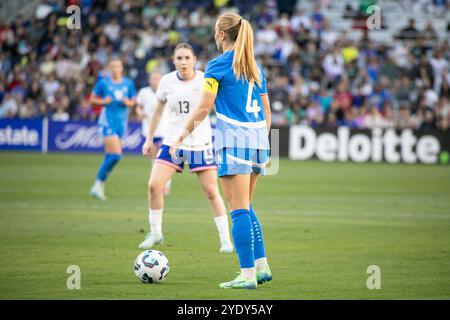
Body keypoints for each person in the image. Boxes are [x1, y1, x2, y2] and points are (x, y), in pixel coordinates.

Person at [170, 13, 272, 289]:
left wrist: (179, 135)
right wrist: (262, 139)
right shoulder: (254, 66)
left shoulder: (217, 65)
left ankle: (247, 274)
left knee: (237, 209)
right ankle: (261, 267)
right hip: (259, 141)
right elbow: (267, 111)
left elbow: (204, 108)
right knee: (246, 205)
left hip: (235, 141)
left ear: (221, 35)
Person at [139, 43, 233, 254]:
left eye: (187, 58)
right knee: (154, 185)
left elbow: (217, 106)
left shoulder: (205, 80)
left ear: (194, 60)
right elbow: (156, 112)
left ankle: (225, 240)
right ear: (174, 61)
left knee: (211, 192)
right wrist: (149, 139)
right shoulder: (166, 81)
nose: (183, 62)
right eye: (179, 58)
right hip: (173, 142)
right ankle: (156, 233)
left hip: (200, 143)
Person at [89, 59, 136, 200]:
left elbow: (133, 101)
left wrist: (129, 103)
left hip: (121, 124)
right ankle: (98, 184)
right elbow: (92, 100)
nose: (115, 69)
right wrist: (103, 102)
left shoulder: (128, 83)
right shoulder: (103, 83)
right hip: (107, 123)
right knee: (116, 155)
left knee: (111, 156)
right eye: (113, 66)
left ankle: (98, 186)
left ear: (122, 68)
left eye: (118, 66)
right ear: (109, 68)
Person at [135, 71, 172, 195]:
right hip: (149, 131)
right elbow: (138, 106)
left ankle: (165, 185)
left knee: (164, 159)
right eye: (153, 78)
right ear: (149, 80)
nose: (155, 81)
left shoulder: (167, 90)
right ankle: (158, 184)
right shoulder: (144, 92)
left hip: (164, 130)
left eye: (157, 78)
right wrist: (139, 112)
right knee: (154, 160)